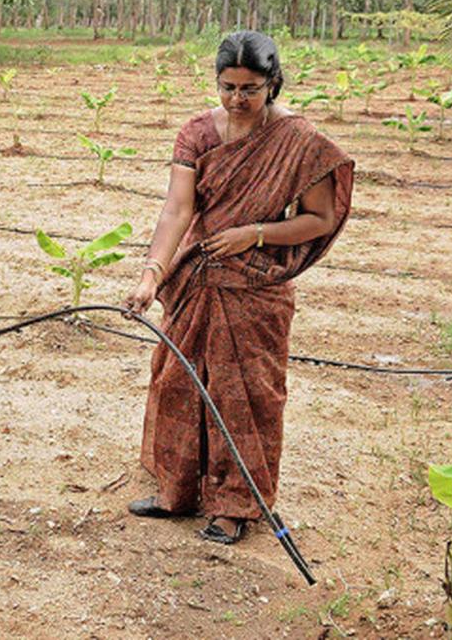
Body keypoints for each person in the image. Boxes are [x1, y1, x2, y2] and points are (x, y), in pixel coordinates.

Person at [123, 31, 354, 544]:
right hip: (198, 278)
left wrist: (255, 233)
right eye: (228, 87)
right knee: (178, 382)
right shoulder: (197, 133)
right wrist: (150, 275)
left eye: (250, 88)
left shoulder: (297, 139)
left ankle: (235, 506)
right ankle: (176, 491)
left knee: (247, 397)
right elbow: (178, 209)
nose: (237, 99)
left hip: (257, 287)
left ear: (272, 84)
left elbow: (320, 218)